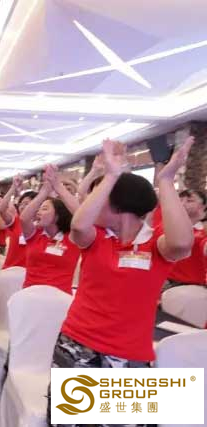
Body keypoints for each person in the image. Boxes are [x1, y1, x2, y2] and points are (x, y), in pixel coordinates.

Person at [48, 138, 195, 427]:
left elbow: (181, 243)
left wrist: (166, 181)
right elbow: (78, 224)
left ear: (117, 206)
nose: (92, 203)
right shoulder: (97, 238)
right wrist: (111, 175)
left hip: (129, 354)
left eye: (100, 196)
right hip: (78, 343)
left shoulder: (155, 243)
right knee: (66, 423)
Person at [19, 165, 80, 294]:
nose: (38, 212)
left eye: (44, 209)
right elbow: (24, 218)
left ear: (58, 215)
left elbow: (81, 215)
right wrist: (44, 192)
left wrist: (58, 187)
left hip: (60, 297)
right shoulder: (35, 234)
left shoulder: (72, 238)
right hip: (30, 295)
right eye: (39, 209)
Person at [160, 189, 207, 290]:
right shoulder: (164, 227)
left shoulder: (203, 232)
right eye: (179, 199)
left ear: (204, 206)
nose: (182, 203)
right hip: (165, 283)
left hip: (192, 288)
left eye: (190, 201)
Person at [0, 176, 38, 268]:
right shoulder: (16, 222)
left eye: (27, 204)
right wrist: (13, 187)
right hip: (10, 269)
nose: (22, 206)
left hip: (30, 272)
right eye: (21, 203)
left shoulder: (42, 226)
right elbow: (1, 209)